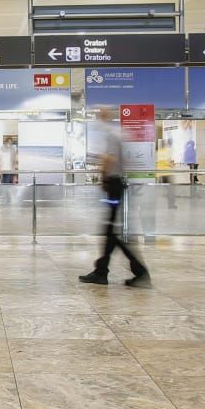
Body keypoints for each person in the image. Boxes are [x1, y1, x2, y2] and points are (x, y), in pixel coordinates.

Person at [79, 107, 150, 288]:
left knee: (112, 231)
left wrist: (102, 177)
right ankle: (102, 270)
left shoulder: (111, 134)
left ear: (104, 116)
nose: (97, 117)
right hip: (117, 184)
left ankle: (138, 272)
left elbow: (109, 159)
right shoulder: (118, 133)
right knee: (111, 231)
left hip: (113, 185)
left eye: (99, 114)